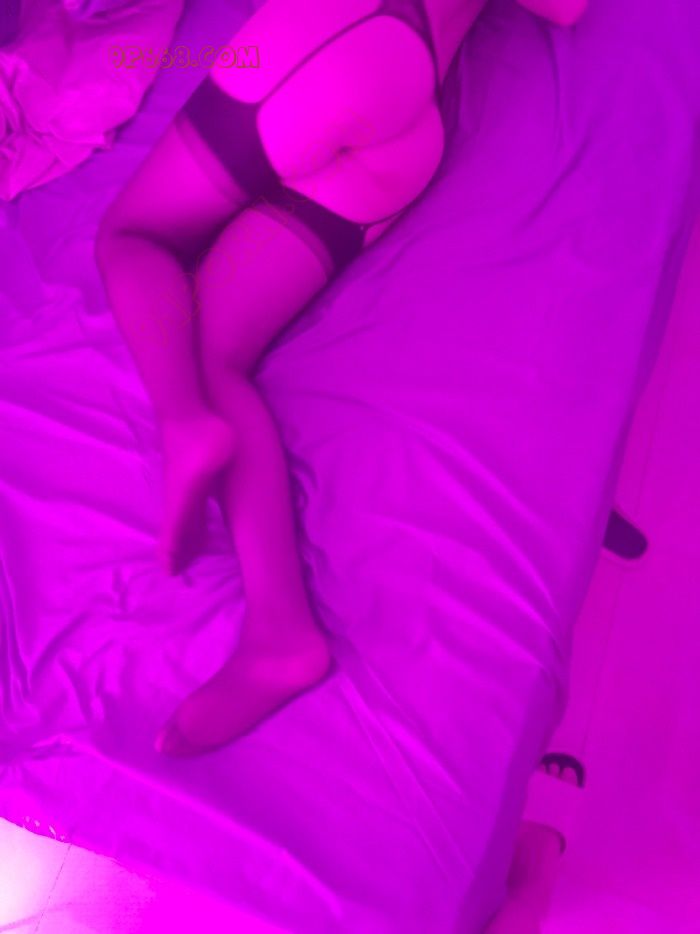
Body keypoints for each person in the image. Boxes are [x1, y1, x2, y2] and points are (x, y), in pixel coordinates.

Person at [95, 0, 586, 760]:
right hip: (411, 118)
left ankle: (181, 417)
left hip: (335, 38)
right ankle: (281, 635)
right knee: (217, 352)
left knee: (132, 236)